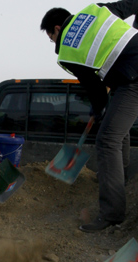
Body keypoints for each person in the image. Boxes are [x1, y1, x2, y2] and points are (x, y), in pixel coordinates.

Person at [41, 2, 138, 232]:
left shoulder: (67, 49)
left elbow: (94, 87)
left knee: (106, 141)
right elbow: (132, 3)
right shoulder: (95, 10)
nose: (53, 42)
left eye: (51, 37)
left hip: (132, 80)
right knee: (115, 131)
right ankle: (119, 181)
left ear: (56, 28)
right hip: (126, 77)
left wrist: (98, 108)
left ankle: (112, 215)